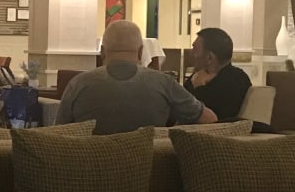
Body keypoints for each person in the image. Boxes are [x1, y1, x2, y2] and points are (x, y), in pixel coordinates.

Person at [58, 20, 217, 134]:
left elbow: (58, 132)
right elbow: (210, 118)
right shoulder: (163, 82)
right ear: (141, 52)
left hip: (89, 167)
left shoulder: (78, 84)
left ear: (103, 52)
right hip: (151, 169)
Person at [186, 28, 256, 124]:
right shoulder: (198, 75)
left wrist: (198, 87)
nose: (191, 54)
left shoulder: (236, 80)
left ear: (209, 57)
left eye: (195, 49)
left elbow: (212, 119)